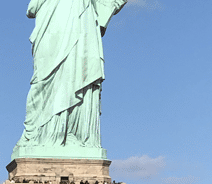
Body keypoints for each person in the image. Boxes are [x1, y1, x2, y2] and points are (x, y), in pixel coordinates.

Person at [13, 0, 127, 158]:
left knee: (78, 72)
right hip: (52, 16)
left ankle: (74, 134)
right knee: (44, 81)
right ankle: (39, 134)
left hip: (81, 17)